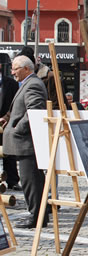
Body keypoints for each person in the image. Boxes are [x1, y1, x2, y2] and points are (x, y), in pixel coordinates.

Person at [0, 55, 48, 228]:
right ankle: (40, 214)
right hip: (26, 141)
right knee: (33, 180)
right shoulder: (28, 83)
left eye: (15, 69)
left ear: (26, 69)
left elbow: (34, 111)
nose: (12, 72)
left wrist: (17, 129)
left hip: (27, 142)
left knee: (31, 180)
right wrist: (8, 119)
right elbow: (19, 109)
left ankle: (36, 216)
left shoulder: (33, 83)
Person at [0, 66, 20, 190]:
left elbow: (15, 104)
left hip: (6, 123)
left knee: (9, 152)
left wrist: (6, 118)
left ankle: (12, 180)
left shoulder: (11, 84)